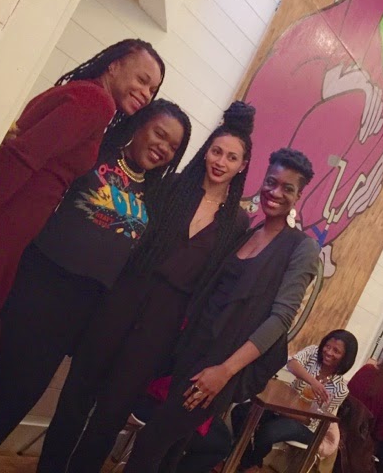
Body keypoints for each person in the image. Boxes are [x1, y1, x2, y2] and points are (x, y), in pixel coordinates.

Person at [0, 38, 165, 470]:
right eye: (142, 79)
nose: (145, 93)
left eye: (153, 89)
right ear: (115, 64)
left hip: (2, 247)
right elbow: (19, 158)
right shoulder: (94, 102)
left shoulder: (88, 100)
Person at [36, 101, 256, 473]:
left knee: (113, 411)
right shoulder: (171, 187)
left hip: (164, 322)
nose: (221, 162)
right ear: (206, 152)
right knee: (77, 392)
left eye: (231, 157)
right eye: (216, 151)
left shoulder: (237, 222)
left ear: (242, 165)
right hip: (123, 296)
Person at [119, 148, 320, 473]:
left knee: (151, 442)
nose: (275, 192)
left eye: (287, 188)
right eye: (271, 182)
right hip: (191, 351)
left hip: (222, 365)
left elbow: (280, 319)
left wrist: (225, 371)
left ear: (298, 195)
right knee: (172, 449)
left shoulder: (301, 247)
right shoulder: (248, 232)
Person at [231, 330, 357, 472]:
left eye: (336, 351)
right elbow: (292, 364)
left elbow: (310, 420)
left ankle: (247, 465)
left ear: (346, 358)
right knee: (240, 412)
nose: (328, 352)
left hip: (304, 426)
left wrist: (281, 410)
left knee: (268, 432)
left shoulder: (340, 389)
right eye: (327, 346)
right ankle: (250, 463)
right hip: (280, 408)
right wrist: (313, 382)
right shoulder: (313, 352)